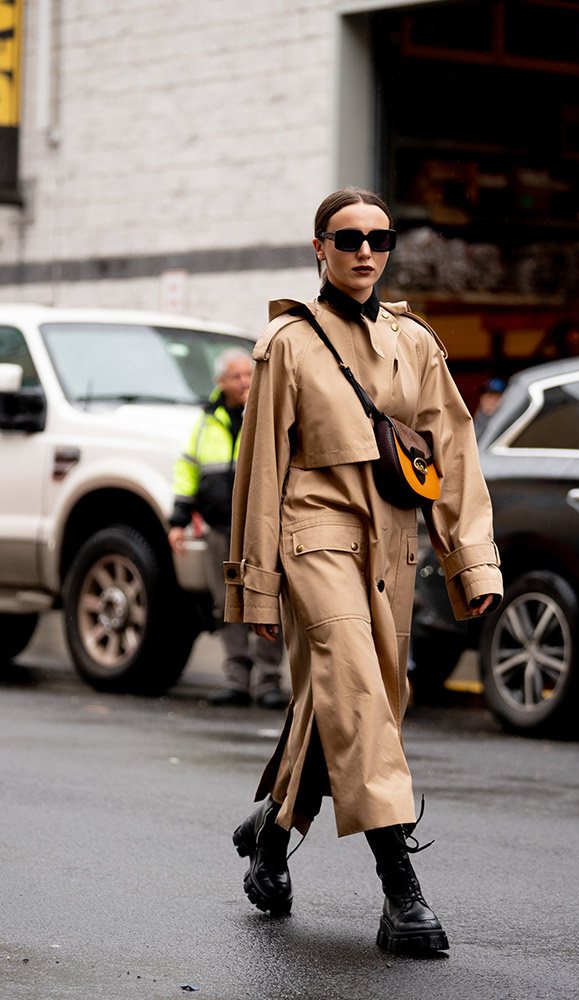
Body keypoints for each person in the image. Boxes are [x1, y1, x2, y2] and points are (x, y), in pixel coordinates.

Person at [224, 188, 503, 955]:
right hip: (312, 540)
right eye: (346, 238)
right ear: (319, 247)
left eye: (377, 238)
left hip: (394, 546)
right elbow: (260, 469)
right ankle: (400, 893)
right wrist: (255, 583)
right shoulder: (288, 341)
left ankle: (271, 832)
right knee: (354, 691)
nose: (364, 251)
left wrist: (469, 561)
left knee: (359, 701)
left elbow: (452, 453)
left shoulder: (414, 341)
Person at [168, 348, 287, 709]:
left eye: (248, 375)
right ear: (221, 382)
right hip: (220, 529)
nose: (245, 382)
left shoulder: (269, 411)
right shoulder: (208, 421)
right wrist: (178, 519)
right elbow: (188, 469)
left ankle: (268, 681)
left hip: (262, 529)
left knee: (266, 601)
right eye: (236, 377)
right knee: (226, 606)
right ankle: (236, 679)